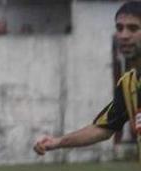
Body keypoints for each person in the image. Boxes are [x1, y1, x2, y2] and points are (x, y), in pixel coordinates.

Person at [34, 1, 141, 157]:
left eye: (133, 28)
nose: (124, 35)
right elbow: (103, 128)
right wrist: (57, 142)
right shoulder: (128, 84)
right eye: (119, 28)